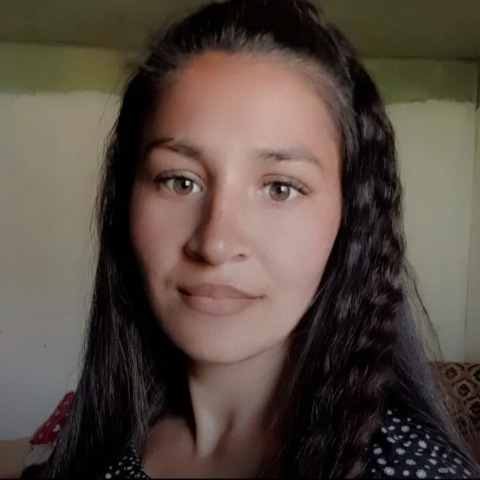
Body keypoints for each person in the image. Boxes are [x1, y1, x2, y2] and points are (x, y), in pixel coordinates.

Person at [21, 0, 480, 478]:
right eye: (180, 181)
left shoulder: (406, 470)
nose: (215, 244)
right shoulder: (100, 438)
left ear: (350, 222)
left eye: (280, 188)